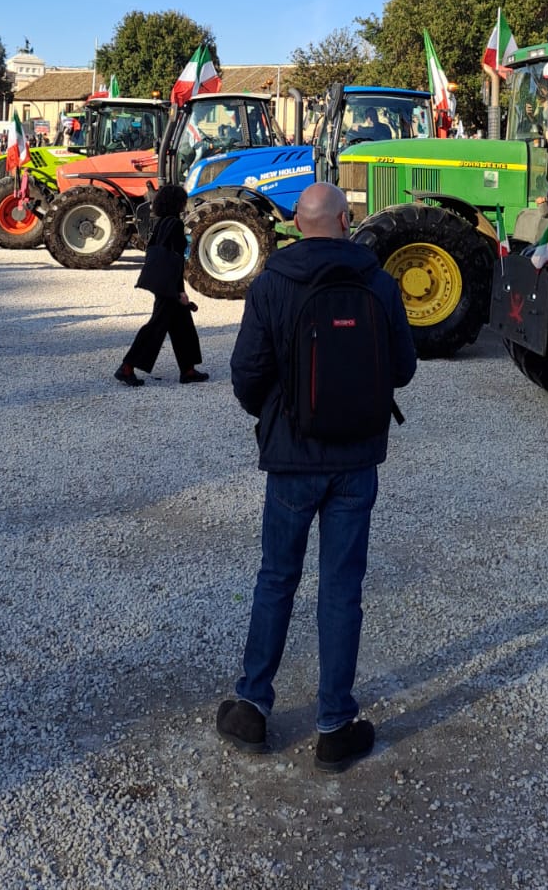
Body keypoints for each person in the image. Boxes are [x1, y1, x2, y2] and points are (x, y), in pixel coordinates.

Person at [216, 181, 416, 772]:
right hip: (357, 458)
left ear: (297, 224)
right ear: (346, 221)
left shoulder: (272, 282)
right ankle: (334, 724)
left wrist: (279, 413)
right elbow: (403, 368)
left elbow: (247, 373)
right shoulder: (379, 282)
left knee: (277, 578)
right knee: (341, 587)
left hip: (291, 456)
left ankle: (253, 705)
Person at [114, 184, 208, 387]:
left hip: (162, 284)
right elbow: (173, 261)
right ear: (177, 203)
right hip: (169, 287)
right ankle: (127, 367)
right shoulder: (174, 225)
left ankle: (188, 370)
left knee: (183, 326)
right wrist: (179, 291)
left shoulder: (161, 223)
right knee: (155, 328)